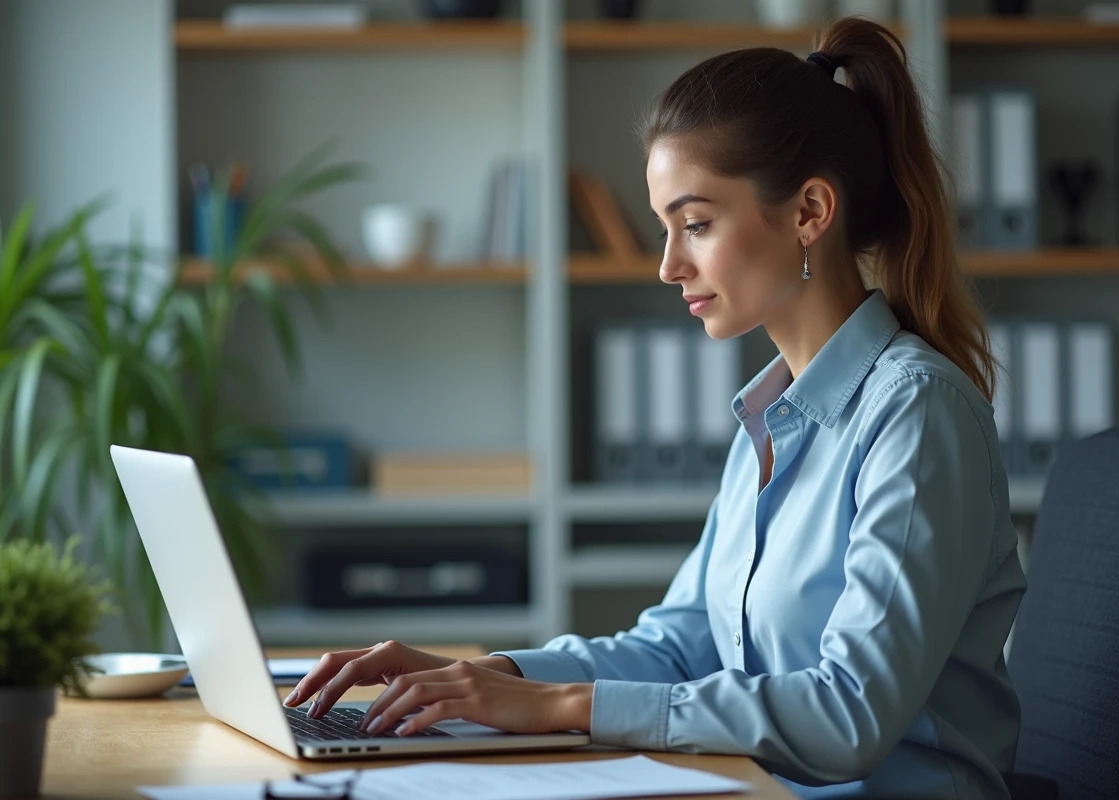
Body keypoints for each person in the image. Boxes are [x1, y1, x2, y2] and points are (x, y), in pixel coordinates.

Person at [285, 16, 1026, 799]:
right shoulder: (771, 418)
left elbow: (848, 715)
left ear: (810, 211)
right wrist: (481, 676)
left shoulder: (916, 413)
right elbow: (680, 645)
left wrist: (556, 707)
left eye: (697, 224)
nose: (670, 265)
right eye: (666, 228)